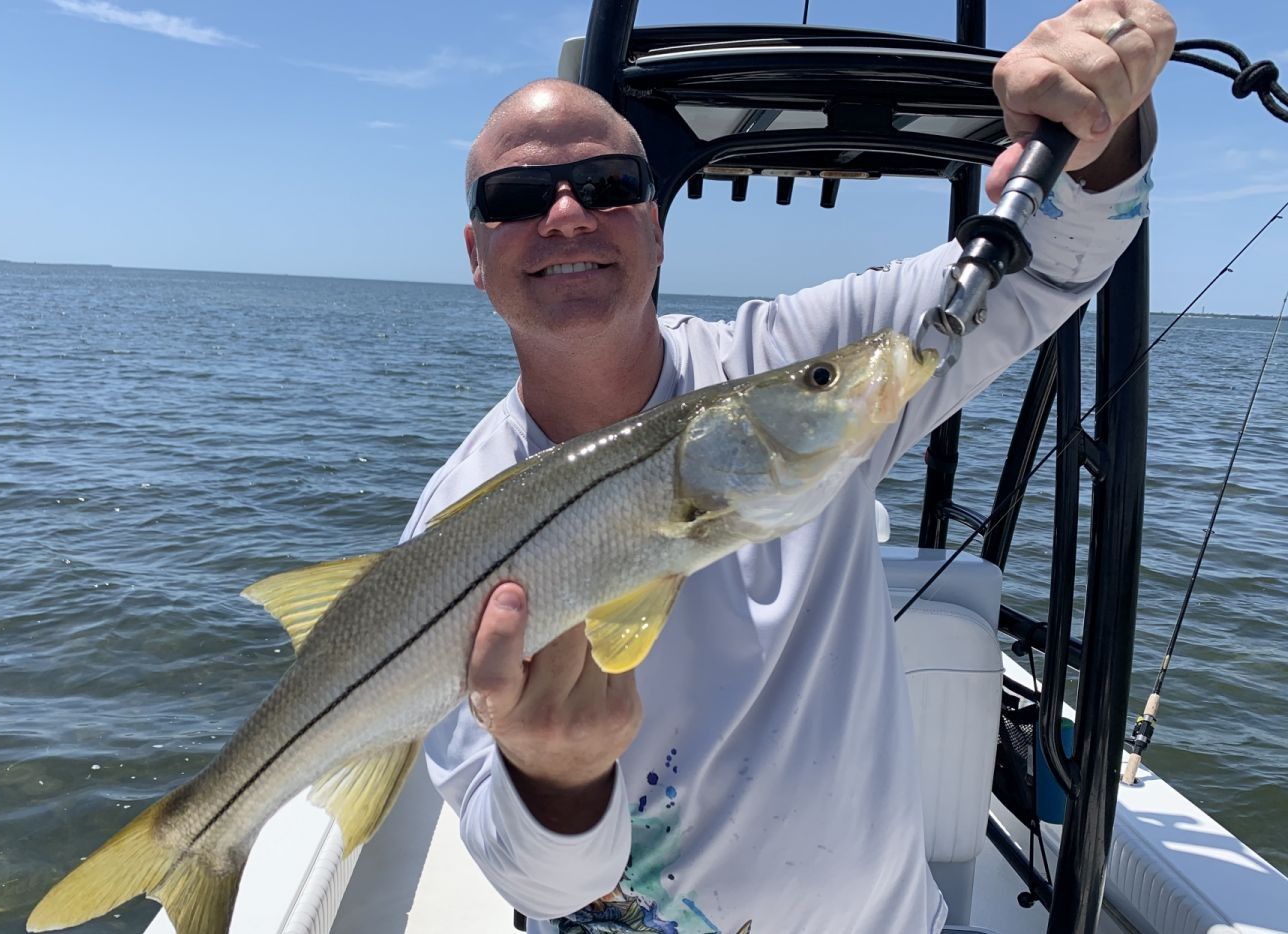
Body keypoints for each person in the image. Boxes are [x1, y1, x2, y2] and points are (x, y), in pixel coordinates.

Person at [401, 1, 1175, 930]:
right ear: (476, 256)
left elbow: (1053, 261)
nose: (567, 214)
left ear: (654, 225)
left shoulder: (802, 362)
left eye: (606, 182)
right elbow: (542, 889)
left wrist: (1103, 123)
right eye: (518, 199)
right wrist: (557, 779)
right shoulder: (453, 527)